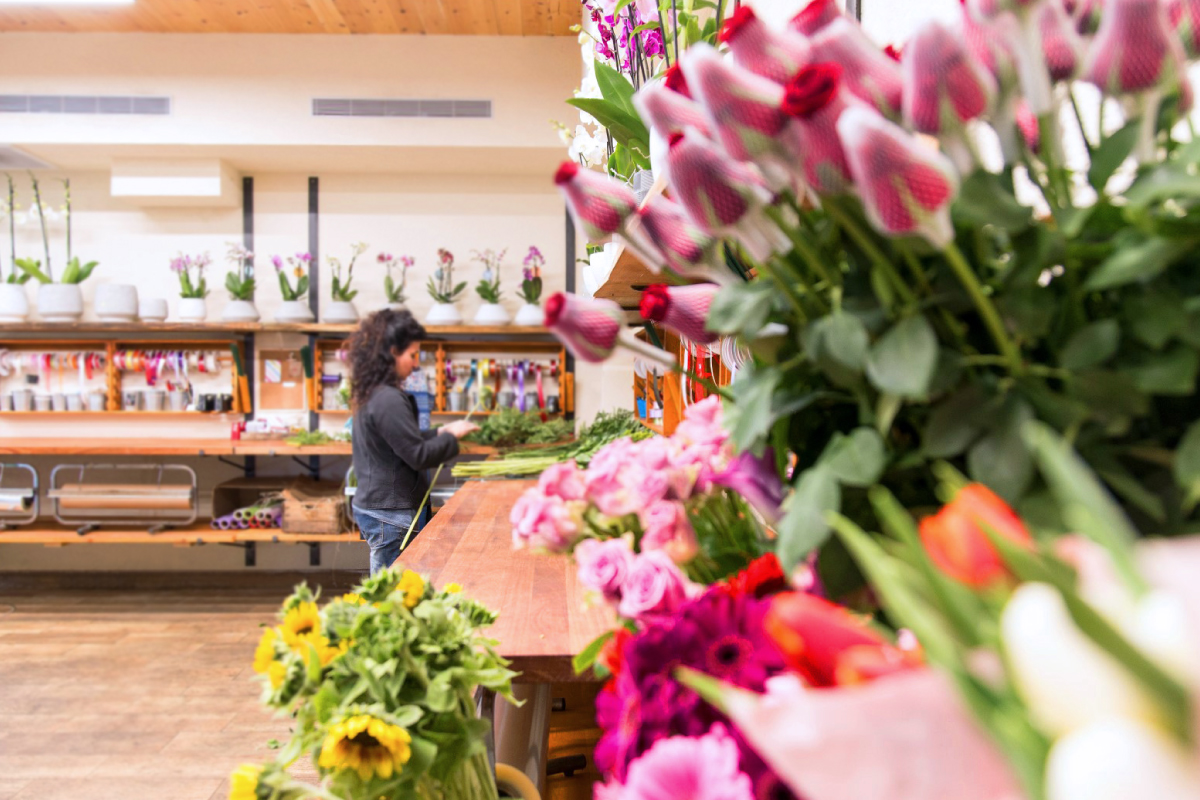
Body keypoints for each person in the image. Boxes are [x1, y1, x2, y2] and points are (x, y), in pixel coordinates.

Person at [346, 309, 478, 574]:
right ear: (392, 353)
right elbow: (417, 455)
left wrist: (441, 432)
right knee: (392, 594)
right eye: (412, 355)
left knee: (396, 588)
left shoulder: (376, 392)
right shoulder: (388, 399)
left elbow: (402, 441)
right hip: (391, 513)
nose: (416, 364)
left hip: (382, 507)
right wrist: (452, 438)